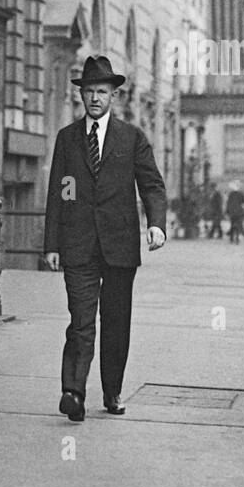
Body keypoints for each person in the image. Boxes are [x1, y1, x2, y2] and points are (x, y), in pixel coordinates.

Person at [44, 55, 168, 421]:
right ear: (80, 95)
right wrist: (53, 242)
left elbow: (152, 185)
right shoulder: (67, 139)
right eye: (89, 91)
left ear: (114, 96)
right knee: (80, 321)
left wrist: (156, 223)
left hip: (119, 248)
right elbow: (60, 191)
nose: (95, 98)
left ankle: (112, 391)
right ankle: (73, 392)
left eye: (102, 91)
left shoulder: (131, 138)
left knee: (116, 323)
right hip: (79, 245)